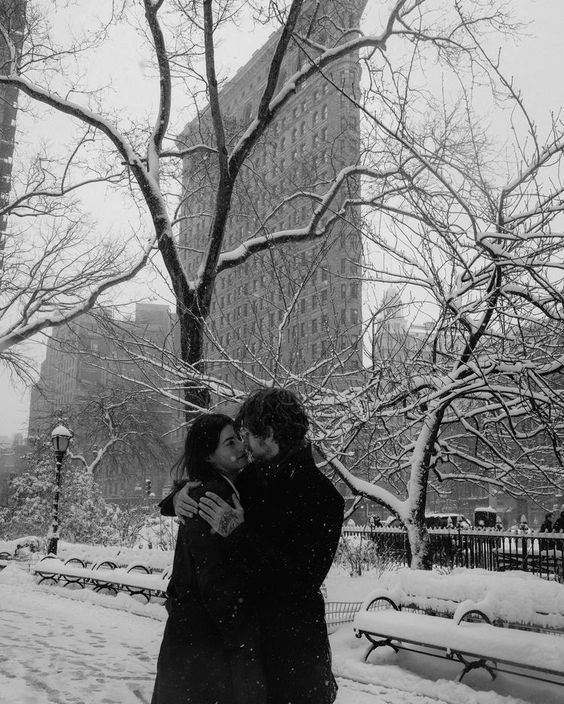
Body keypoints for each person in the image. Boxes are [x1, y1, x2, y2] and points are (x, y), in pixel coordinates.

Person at [162, 388, 344, 704]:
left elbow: (300, 583)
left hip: (292, 661)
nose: (243, 441)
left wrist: (237, 533)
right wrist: (176, 499)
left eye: (247, 434)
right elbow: (211, 484)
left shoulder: (322, 498)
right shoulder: (252, 478)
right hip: (247, 660)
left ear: (269, 435)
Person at [151, 413, 266, 704]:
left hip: (192, 641)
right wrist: (242, 638)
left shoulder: (217, 487)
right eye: (229, 442)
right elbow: (214, 578)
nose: (240, 446)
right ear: (209, 456)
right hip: (205, 644)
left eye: (238, 437)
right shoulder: (214, 496)